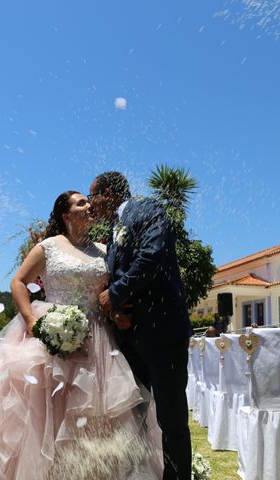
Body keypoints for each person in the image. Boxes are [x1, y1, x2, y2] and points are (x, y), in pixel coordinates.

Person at [0, 191, 162, 479]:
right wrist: (30, 319)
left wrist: (117, 314)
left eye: (88, 201)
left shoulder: (103, 250)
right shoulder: (48, 247)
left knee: (95, 421)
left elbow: (106, 294)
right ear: (66, 214)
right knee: (44, 417)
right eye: (81, 202)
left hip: (98, 341)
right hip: (51, 339)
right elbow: (18, 281)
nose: (89, 206)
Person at [90, 171, 192, 480]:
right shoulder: (114, 227)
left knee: (171, 419)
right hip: (130, 338)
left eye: (93, 196)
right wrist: (116, 312)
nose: (93, 205)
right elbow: (117, 273)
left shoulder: (146, 208)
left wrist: (115, 295)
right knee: (131, 418)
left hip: (163, 335)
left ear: (108, 193)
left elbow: (151, 257)